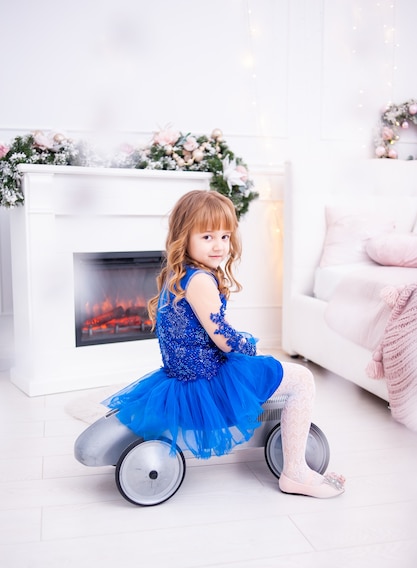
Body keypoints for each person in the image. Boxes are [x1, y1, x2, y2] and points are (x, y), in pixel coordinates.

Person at [101, 189, 345, 498]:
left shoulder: (178, 276)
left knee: (269, 368)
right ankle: (295, 471)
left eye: (225, 236)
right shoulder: (201, 281)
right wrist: (251, 348)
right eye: (207, 237)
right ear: (184, 237)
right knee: (302, 379)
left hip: (184, 373)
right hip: (209, 380)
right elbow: (226, 341)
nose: (219, 246)